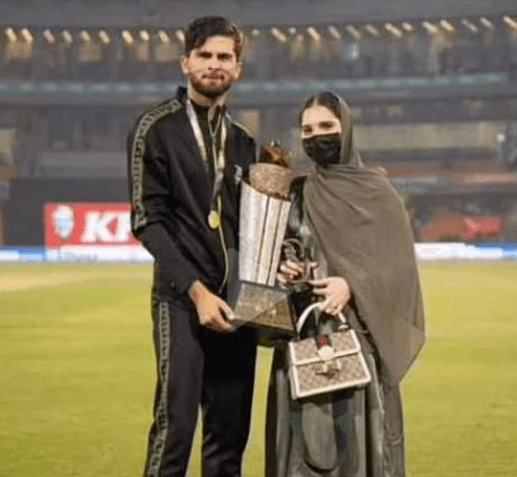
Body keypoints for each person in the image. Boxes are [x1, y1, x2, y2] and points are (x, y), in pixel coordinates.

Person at [265, 91, 426, 477]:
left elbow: (400, 273)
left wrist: (351, 285)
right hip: (303, 344)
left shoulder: (378, 194)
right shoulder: (298, 193)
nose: (315, 136)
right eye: (307, 129)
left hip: (359, 344)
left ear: (346, 130)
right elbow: (283, 254)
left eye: (326, 127)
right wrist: (284, 270)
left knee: (357, 450)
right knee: (303, 452)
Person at [127, 16, 257, 477]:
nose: (214, 65)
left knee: (228, 436)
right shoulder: (155, 128)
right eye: (205, 55)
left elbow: (252, 230)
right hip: (181, 301)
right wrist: (198, 293)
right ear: (186, 62)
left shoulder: (244, 144)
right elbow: (148, 222)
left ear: (238, 68)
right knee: (176, 428)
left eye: (225, 57)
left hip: (236, 306)